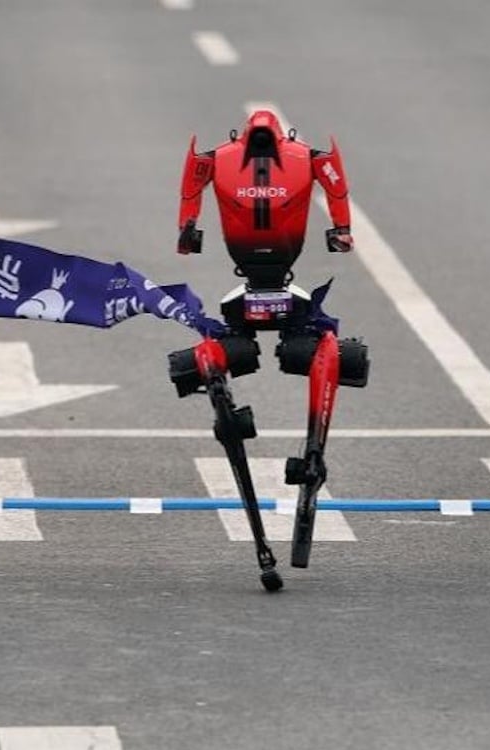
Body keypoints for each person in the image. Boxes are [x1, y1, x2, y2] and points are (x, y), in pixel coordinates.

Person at [167, 109, 369, 592]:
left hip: (243, 293)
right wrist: (340, 230)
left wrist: (188, 231)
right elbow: (337, 186)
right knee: (325, 346)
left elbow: (190, 188)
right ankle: (313, 442)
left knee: (223, 348)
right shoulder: (309, 157)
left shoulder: (215, 157)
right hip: (289, 289)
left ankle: (215, 375)